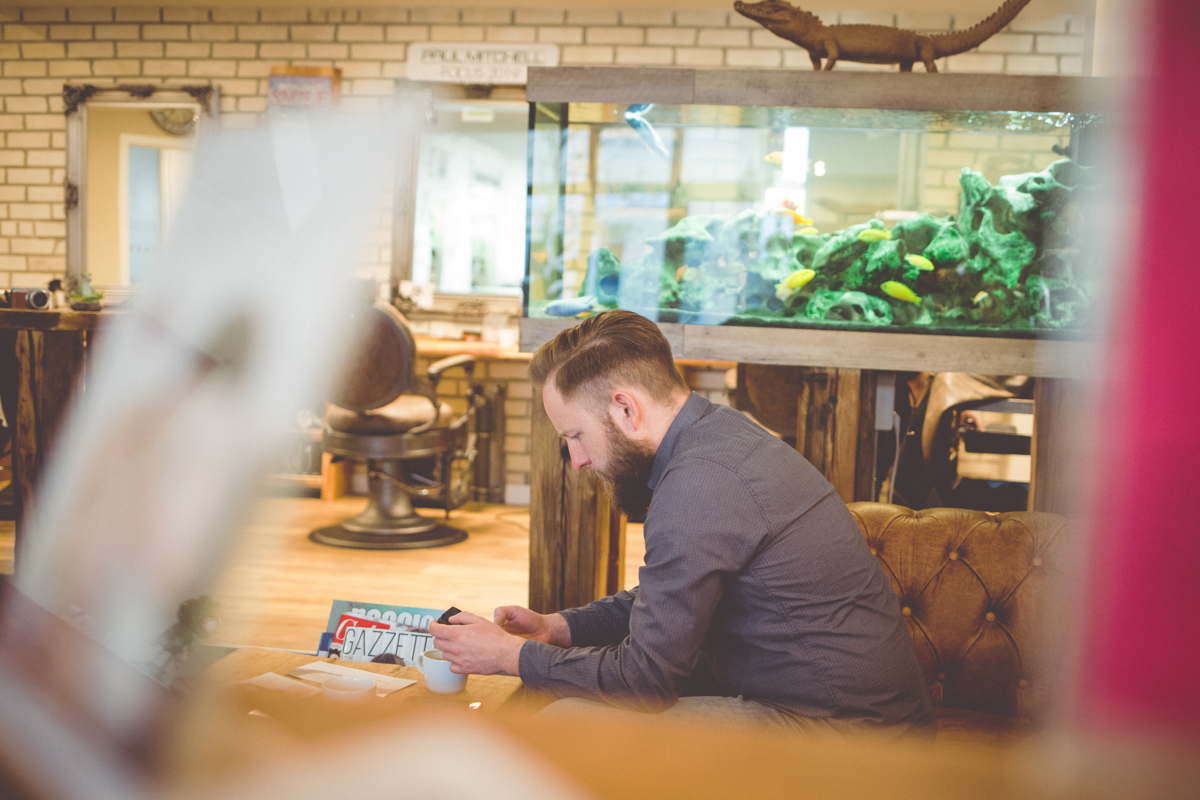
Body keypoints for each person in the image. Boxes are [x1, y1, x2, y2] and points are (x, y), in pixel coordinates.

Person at [430, 310, 934, 735]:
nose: (577, 459)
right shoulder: (717, 433)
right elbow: (668, 595)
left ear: (625, 408)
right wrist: (558, 628)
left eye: (576, 435)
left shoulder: (697, 485)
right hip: (847, 708)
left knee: (566, 725)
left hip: (845, 733)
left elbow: (646, 682)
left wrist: (507, 657)